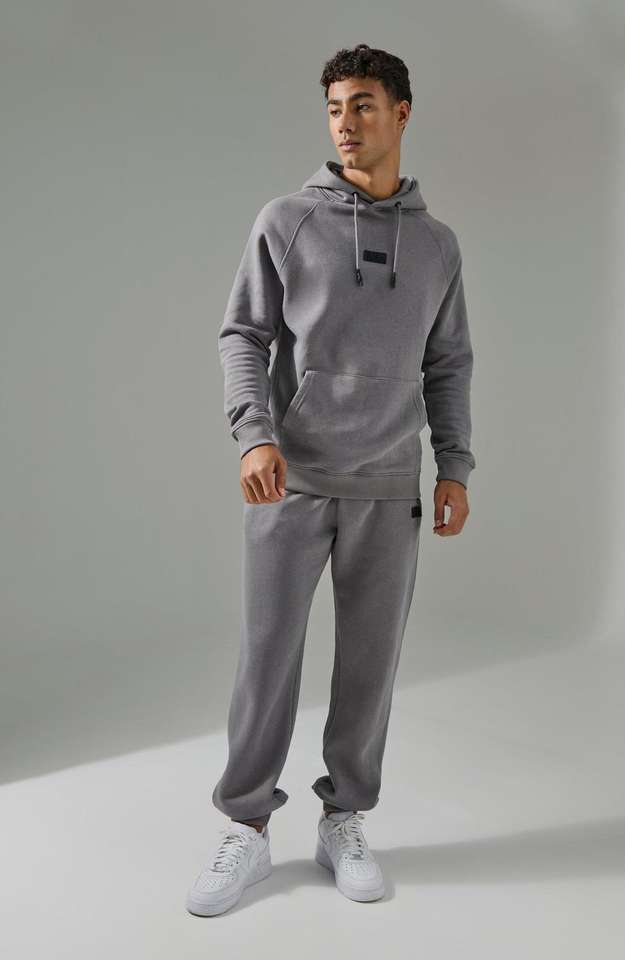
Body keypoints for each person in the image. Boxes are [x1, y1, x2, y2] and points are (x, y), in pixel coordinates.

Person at [186, 42, 476, 917]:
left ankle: (344, 818)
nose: (345, 125)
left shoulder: (437, 245)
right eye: (334, 109)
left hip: (390, 484)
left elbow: (448, 363)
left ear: (402, 114)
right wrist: (253, 435)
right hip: (293, 480)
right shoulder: (288, 221)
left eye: (363, 106)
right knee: (267, 657)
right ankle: (246, 824)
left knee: (369, 668)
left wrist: (455, 463)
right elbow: (244, 334)